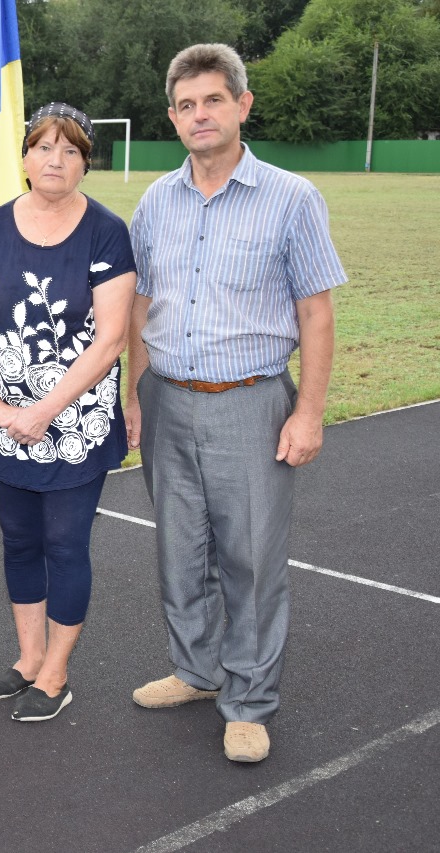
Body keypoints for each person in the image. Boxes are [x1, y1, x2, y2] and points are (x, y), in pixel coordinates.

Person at [126, 44, 345, 762]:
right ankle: (195, 668)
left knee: (251, 556)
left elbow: (316, 312)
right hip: (167, 399)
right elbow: (142, 305)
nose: (200, 115)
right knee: (179, 550)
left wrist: (307, 411)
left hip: (251, 401)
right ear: (172, 116)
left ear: (242, 105)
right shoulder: (157, 200)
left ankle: (248, 697)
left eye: (213, 100)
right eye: (186, 105)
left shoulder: (292, 196)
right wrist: (136, 393)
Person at [0, 103, 136, 722]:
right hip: (5, 418)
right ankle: (28, 658)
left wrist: (44, 410)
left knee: (65, 543)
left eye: (70, 150)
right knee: (19, 541)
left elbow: (110, 338)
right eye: (42, 147)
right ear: (26, 157)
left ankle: (56, 671)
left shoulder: (107, 231)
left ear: (86, 161)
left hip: (74, 425)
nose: (54, 160)